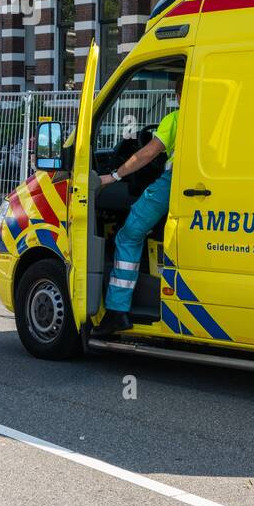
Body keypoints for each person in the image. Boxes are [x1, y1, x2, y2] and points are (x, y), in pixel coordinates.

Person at [92, 79, 181, 337]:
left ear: (178, 95)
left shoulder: (176, 118)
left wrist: (114, 176)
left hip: (174, 180)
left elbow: (147, 154)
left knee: (128, 234)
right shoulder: (218, 115)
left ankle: (117, 311)